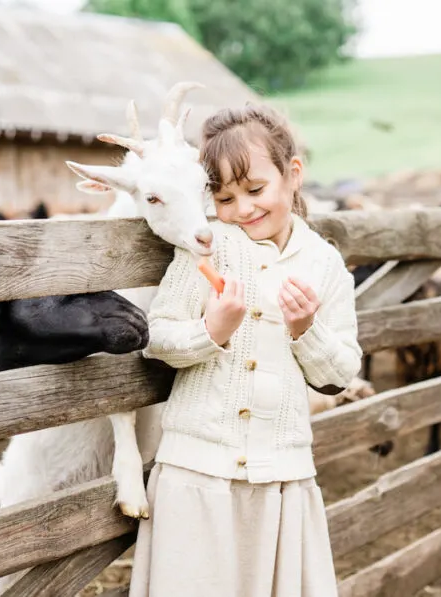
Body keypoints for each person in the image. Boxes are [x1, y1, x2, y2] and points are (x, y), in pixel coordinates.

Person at [128, 104, 363, 597]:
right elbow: (157, 337)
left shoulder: (325, 265)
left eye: (255, 190)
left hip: (282, 478)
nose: (243, 209)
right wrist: (210, 330)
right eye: (225, 197)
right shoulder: (209, 248)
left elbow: (342, 372)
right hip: (197, 475)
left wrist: (307, 330)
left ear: (292, 174)